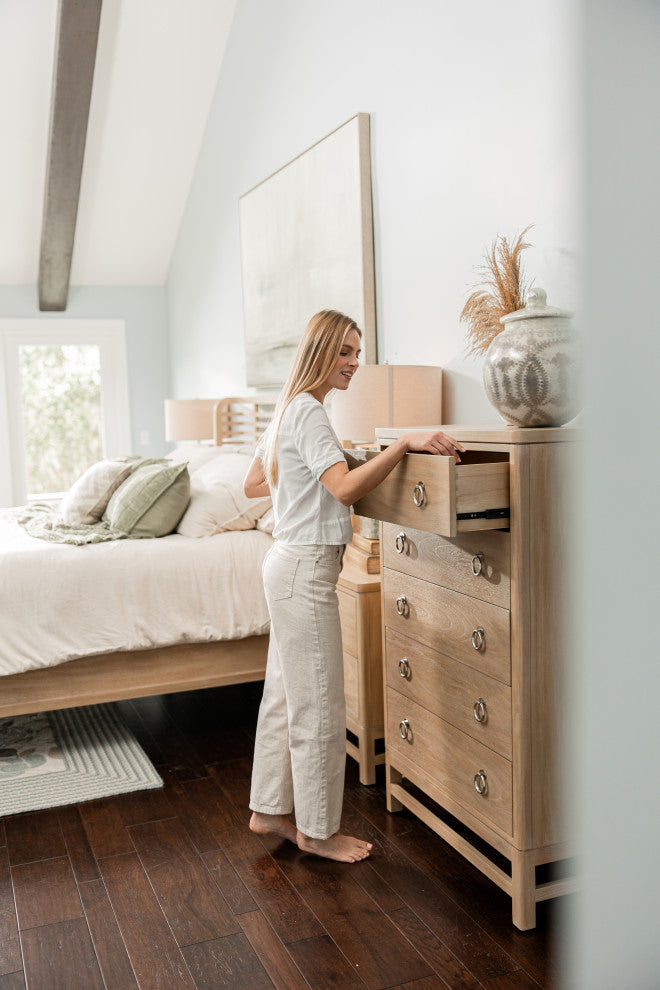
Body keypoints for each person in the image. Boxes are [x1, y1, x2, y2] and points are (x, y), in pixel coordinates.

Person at [243, 310, 465, 863]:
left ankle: (269, 809)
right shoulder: (310, 413)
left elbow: (254, 483)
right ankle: (318, 832)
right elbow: (341, 491)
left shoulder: (287, 410)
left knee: (285, 695)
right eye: (343, 351)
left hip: (283, 563)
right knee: (319, 704)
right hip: (305, 570)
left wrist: (311, 473)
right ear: (319, 350)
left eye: (356, 352)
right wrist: (401, 445)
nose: (353, 363)